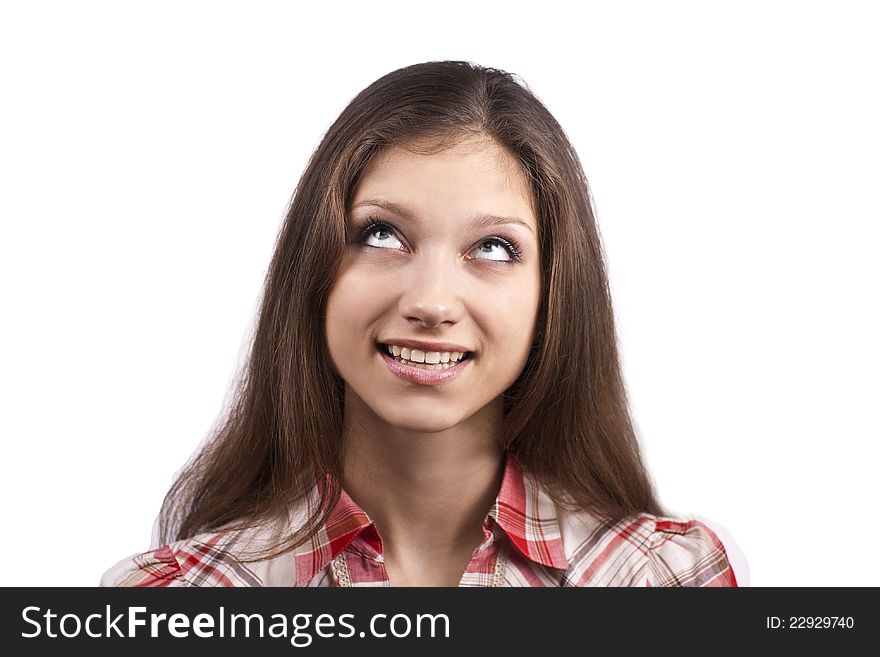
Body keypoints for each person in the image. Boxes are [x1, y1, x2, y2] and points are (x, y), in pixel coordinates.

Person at [101, 60, 741, 587]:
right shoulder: (180, 597)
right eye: (382, 235)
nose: (432, 302)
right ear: (315, 267)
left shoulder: (663, 581)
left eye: (492, 248)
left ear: (555, 293)